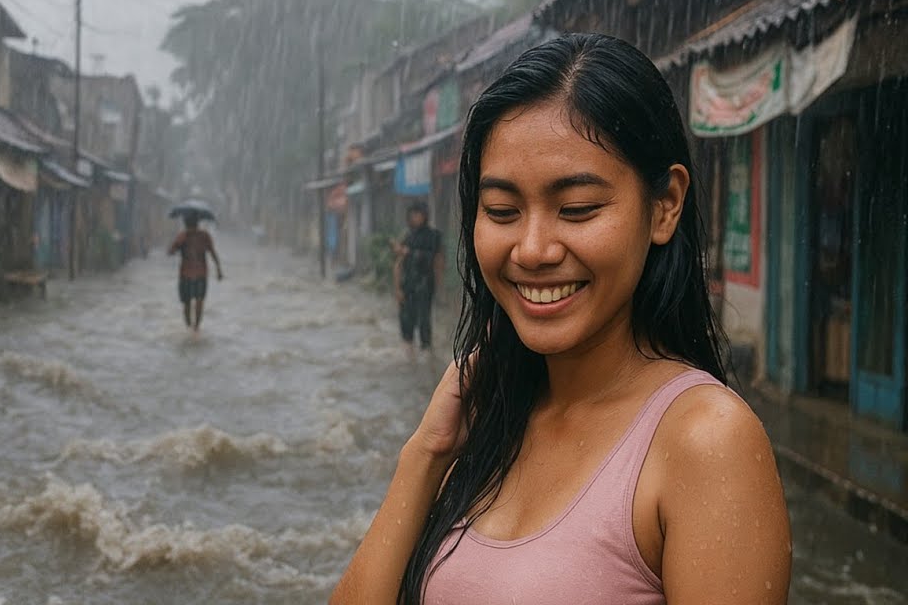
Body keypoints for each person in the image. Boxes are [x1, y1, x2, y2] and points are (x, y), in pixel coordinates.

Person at [331, 34, 791, 605]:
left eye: (577, 209)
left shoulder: (706, 441)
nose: (532, 250)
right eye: (502, 211)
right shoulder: (482, 422)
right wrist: (424, 454)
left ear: (665, 205)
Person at [393, 202, 444, 360]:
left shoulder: (433, 236)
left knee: (424, 319)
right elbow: (398, 264)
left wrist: (439, 286)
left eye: (418, 214)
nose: (414, 217)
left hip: (425, 284)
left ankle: (427, 353)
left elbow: (437, 260)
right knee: (406, 319)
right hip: (407, 284)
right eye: (412, 214)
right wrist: (397, 289)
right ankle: (409, 355)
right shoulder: (407, 236)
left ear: (425, 215)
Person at [168, 212, 223, 333]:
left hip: (194, 274)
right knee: (192, 302)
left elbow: (170, 252)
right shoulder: (185, 236)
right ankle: (192, 328)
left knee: (195, 302)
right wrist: (218, 269)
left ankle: (193, 328)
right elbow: (171, 251)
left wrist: (219, 269)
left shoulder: (202, 236)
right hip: (190, 274)